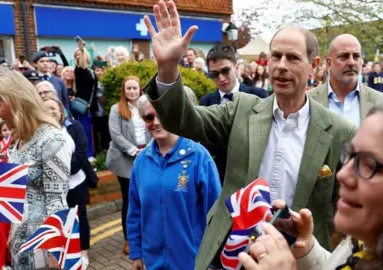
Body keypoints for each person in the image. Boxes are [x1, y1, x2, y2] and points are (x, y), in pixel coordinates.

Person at [142, 2, 357, 269]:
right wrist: (168, 68)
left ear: (313, 65)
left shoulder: (340, 131)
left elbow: (344, 211)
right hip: (231, 252)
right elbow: (182, 120)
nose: (280, 66)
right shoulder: (241, 110)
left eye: (292, 58)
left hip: (295, 259)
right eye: (275, 56)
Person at [238, 96, 383, 270]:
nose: (342, 175)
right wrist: (307, 248)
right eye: (349, 154)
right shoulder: (361, 241)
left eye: (369, 165)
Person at [0, 70, 71, 269]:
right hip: (19, 238)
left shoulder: (52, 139)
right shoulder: (20, 137)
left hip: (41, 243)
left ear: (14, 100)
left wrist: (55, 250)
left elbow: (57, 199)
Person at [127, 94, 221, 270]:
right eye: (149, 117)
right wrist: (136, 253)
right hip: (154, 261)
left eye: (161, 115)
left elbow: (215, 213)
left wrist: (213, 260)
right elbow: (135, 211)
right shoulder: (141, 162)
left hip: (193, 261)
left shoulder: (199, 157)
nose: (155, 122)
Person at [199, 44, 268, 184]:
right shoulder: (206, 102)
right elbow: (204, 143)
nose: (221, 78)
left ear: (236, 67)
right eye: (215, 74)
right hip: (218, 176)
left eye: (225, 71)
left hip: (251, 178)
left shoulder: (258, 96)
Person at [43, 97, 98, 268]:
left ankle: (82, 251)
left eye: (53, 108)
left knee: (78, 218)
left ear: (61, 111)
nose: (50, 111)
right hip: (51, 186)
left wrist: (58, 170)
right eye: (46, 109)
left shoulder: (74, 127)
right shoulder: (38, 133)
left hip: (75, 183)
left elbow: (80, 153)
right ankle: (59, 253)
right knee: (56, 220)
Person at [106, 76, 150, 255]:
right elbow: (115, 135)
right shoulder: (116, 109)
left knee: (147, 198)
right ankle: (129, 240)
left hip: (147, 155)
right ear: (123, 91)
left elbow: (155, 127)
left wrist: (148, 149)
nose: (131, 91)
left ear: (140, 89)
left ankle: (147, 235)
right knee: (130, 201)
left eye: (135, 88)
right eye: (128, 88)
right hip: (126, 159)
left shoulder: (147, 105)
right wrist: (134, 150)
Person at [308, 34, 383, 127]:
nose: (351, 62)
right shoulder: (307, 101)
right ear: (329, 63)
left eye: (356, 56)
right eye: (344, 56)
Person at [74, 40, 97, 159]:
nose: (79, 56)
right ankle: (87, 155)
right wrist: (82, 49)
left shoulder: (91, 71)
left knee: (90, 131)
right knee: (85, 131)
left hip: (90, 106)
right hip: (82, 106)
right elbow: (83, 65)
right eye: (77, 55)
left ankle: (92, 153)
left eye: (80, 54)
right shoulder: (78, 70)